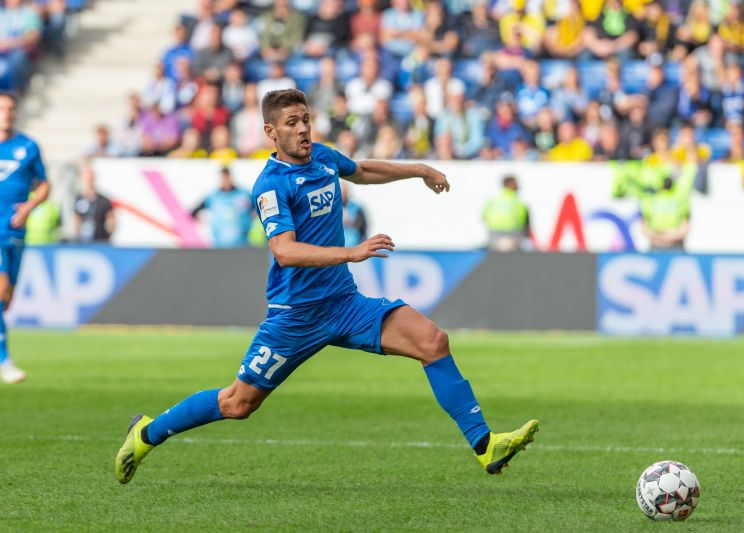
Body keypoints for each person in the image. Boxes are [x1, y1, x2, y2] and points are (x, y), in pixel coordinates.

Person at [115, 88, 538, 483]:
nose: (302, 129)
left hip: (343, 303)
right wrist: (350, 253)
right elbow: (285, 251)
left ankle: (485, 445)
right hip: (296, 317)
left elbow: (364, 170)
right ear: (271, 132)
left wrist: (420, 170)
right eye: (292, 123)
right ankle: (148, 433)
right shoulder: (271, 185)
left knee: (433, 341)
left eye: (305, 120)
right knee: (237, 404)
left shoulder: (322, 157)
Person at [0, 92, 50, 384]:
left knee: (6, 301)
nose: (6, 113)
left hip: (16, 234)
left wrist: (31, 205)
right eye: (2, 108)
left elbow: (44, 184)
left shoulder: (27, 147)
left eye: (10, 108)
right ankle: (5, 361)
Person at [191, 167, 252, 248]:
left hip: (242, 243)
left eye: (227, 177)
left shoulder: (243, 194)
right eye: (223, 178)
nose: (225, 180)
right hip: (219, 244)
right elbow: (193, 212)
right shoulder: (213, 196)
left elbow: (257, 209)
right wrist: (201, 220)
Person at [482, 175, 531, 252]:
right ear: (509, 184)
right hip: (514, 237)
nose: (518, 185)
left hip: (494, 237)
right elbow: (526, 224)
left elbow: (484, 217)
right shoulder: (519, 203)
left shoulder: (492, 201)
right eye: (515, 183)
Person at [74, 165, 115, 243]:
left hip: (100, 240)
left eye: (91, 178)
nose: (89, 181)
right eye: (87, 178)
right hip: (84, 240)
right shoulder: (79, 199)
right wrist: (79, 234)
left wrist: (107, 235)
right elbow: (77, 219)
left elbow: (111, 219)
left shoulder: (103, 200)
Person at [340, 180, 367, 246]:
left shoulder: (356, 208)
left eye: (344, 192)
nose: (343, 194)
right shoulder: (331, 209)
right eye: (341, 192)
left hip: (354, 245)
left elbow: (363, 229)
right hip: (337, 247)